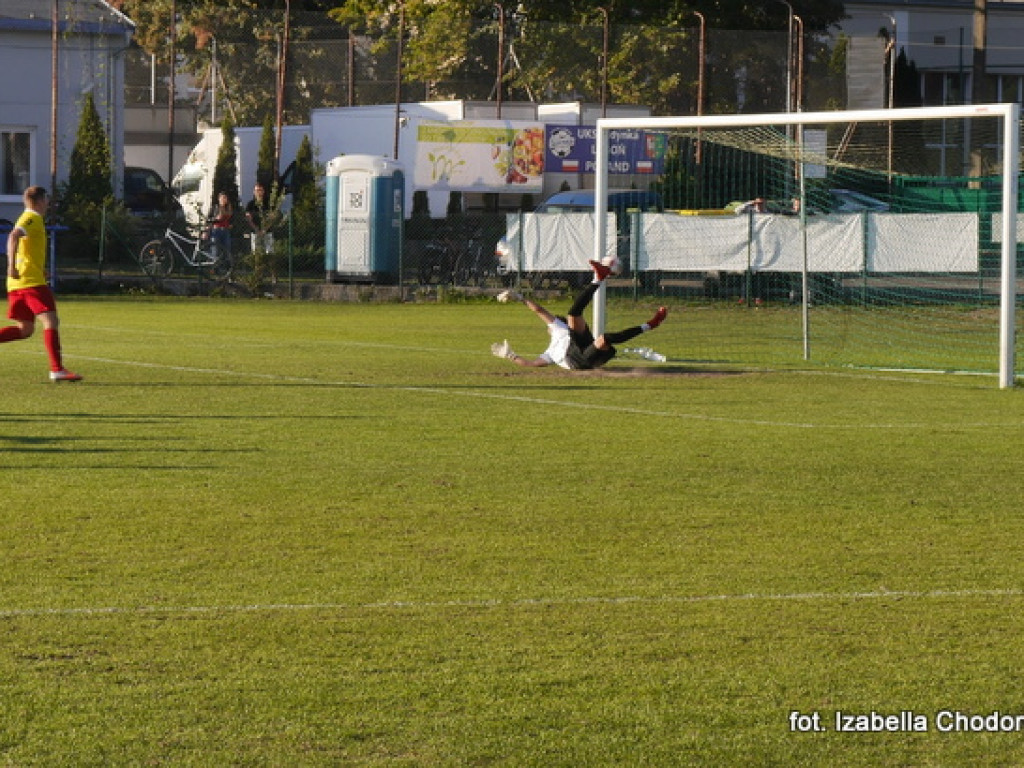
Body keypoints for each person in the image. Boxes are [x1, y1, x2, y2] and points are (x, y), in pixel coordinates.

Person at [491, 260, 667, 370]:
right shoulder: (553, 345)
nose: (549, 325)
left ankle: (599, 279)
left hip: (584, 348)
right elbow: (532, 364)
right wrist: (510, 355)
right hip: (576, 361)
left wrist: (519, 297)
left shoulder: (560, 330)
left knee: (574, 314)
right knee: (602, 337)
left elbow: (539, 311)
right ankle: (648, 324)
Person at [1, 186, 82, 381]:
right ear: (38, 201)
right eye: (46, 199)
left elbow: (25, 247)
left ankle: (57, 369)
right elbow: (13, 236)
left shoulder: (30, 218)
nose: (48, 203)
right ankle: (57, 369)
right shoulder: (32, 218)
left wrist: (37, 268)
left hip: (18, 283)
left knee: (25, 330)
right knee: (50, 321)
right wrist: (11, 265)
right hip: (29, 282)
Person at [244, 182, 274, 255]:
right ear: (254, 192)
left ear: (263, 191)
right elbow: (249, 219)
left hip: (267, 231)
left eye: (260, 190)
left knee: (269, 252)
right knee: (256, 253)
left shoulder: (268, 204)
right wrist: (256, 229)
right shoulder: (250, 204)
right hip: (255, 232)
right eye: (257, 190)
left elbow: (271, 218)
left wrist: (264, 229)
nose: (258, 192)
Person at [208, 191, 234, 264]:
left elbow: (232, 219)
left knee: (227, 248)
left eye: (225, 198)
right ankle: (213, 266)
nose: (223, 199)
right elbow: (209, 219)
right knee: (215, 249)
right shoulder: (215, 207)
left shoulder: (229, 208)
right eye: (222, 198)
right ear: (219, 199)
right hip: (216, 230)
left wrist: (231, 224)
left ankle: (226, 266)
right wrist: (216, 219)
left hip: (225, 230)